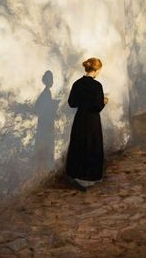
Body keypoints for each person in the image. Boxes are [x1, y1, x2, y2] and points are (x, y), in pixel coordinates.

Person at [65, 57, 108, 191]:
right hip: (92, 120)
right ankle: (90, 176)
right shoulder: (97, 86)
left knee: (79, 144)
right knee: (92, 145)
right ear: (96, 70)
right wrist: (104, 101)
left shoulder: (77, 83)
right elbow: (97, 106)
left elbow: (72, 103)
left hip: (80, 119)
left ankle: (76, 174)